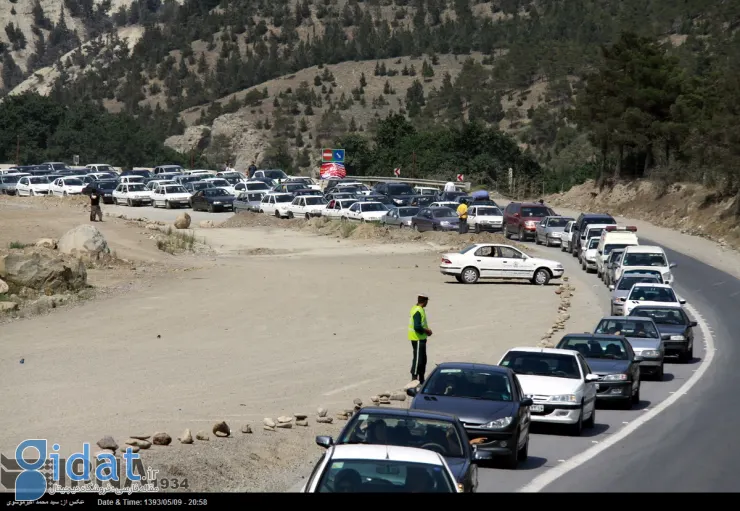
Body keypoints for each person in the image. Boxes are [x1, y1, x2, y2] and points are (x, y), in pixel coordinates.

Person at [408, 294, 432, 384]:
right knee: (418, 358)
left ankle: (421, 378)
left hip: (420, 338)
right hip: (417, 338)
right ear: (425, 301)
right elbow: (417, 326)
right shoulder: (418, 311)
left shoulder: (417, 308)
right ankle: (414, 378)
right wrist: (427, 331)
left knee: (423, 358)